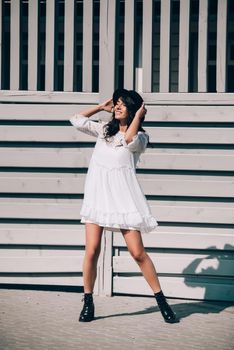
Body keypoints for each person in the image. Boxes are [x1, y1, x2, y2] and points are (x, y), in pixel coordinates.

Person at [69, 88, 177, 323]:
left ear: (134, 108)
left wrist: (138, 116)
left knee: (138, 253)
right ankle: (88, 301)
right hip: (98, 199)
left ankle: (161, 301)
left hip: (124, 201)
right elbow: (76, 120)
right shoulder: (103, 132)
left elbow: (128, 139)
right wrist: (100, 107)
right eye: (115, 103)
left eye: (122, 104)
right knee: (92, 250)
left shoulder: (140, 138)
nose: (117, 107)